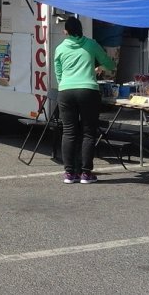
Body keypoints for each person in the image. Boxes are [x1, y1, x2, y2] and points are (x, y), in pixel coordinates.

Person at [53, 16, 116, 184]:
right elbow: (110, 64)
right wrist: (100, 67)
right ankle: (86, 174)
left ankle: (69, 173)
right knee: (88, 132)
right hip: (88, 90)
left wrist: (65, 84)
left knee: (69, 131)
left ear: (65, 31)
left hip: (66, 91)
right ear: (81, 29)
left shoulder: (60, 48)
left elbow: (58, 73)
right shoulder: (91, 44)